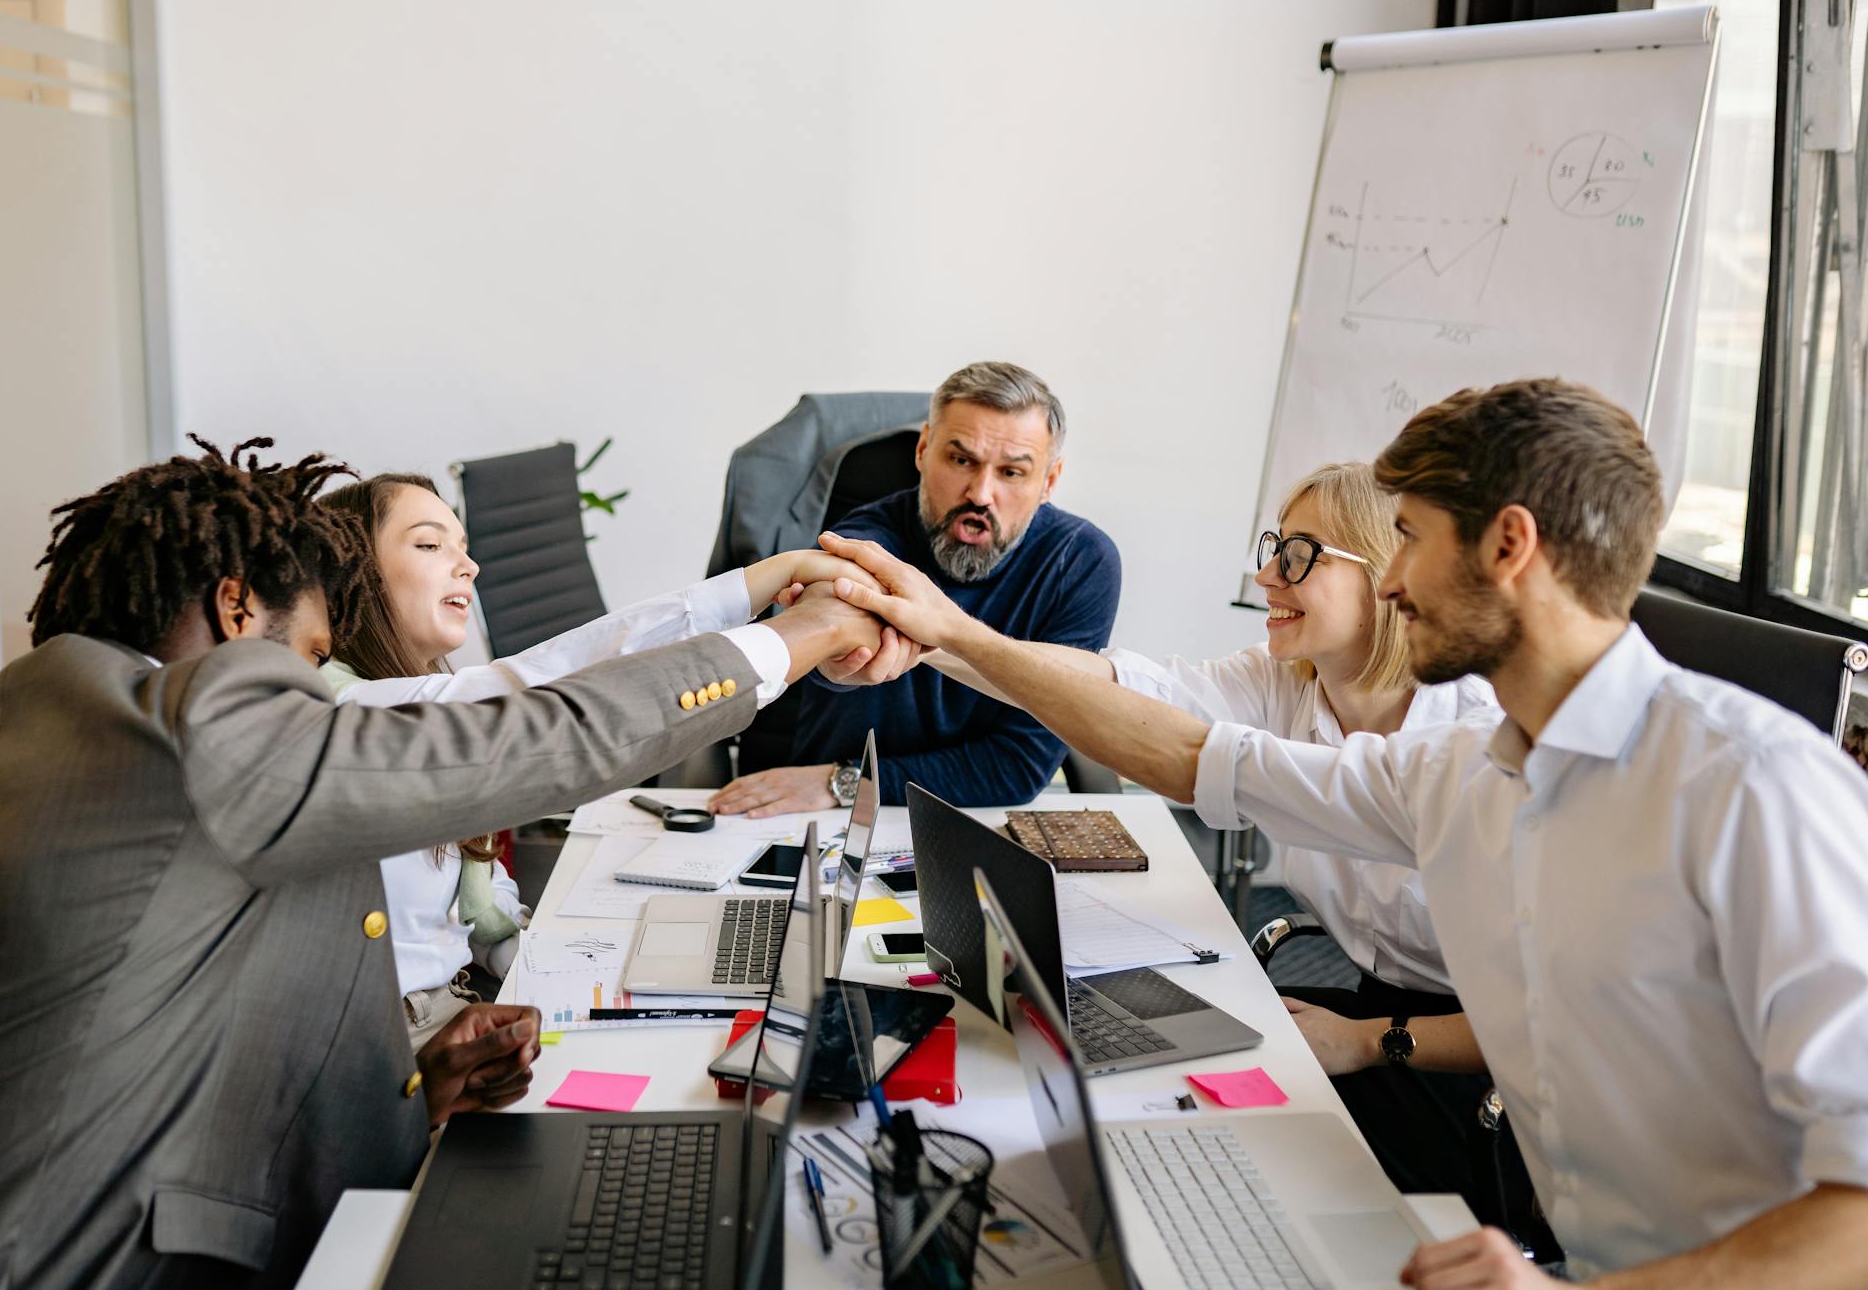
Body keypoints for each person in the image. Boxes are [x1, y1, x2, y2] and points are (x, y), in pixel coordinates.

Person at [818, 379, 1868, 1286]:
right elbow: (1186, 753)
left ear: (1507, 545)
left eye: (1405, 538)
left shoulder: (1754, 791)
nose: (1395, 578)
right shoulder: (1460, 773)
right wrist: (947, 633)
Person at [0, 437, 885, 1289]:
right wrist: (796, 638)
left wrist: (408, 1092)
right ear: (239, 612)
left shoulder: (47, 719)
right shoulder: (175, 730)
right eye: (317, 664)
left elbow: (148, 1039)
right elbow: (518, 732)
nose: (326, 694)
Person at [924, 460, 1543, 1248]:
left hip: (1483, 1075)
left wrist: (1366, 1040)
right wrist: (931, 640)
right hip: (1367, 1010)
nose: (1264, 575)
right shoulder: (1290, 682)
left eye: (1298, 556)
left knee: (1242, 1185)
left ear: (1392, 573)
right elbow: (1120, 685)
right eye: (1273, 548)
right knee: (1149, 1116)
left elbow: (1548, 1020)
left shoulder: (1476, 741)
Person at [316, 471, 889, 1047]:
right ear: (350, 571)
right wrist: (792, 609)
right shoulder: (346, 712)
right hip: (398, 1042)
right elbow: (550, 684)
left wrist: (551, 965)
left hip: (468, 1006)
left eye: (464, 548)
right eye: (429, 544)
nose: (469, 566)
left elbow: (477, 909)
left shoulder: (413, 697)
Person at [708, 361, 1121, 816]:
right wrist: (828, 636)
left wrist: (847, 781)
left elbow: (1017, 767)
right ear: (923, 450)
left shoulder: (1080, 563)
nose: (981, 494)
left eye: (1011, 472)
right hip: (833, 819)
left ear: (1049, 481)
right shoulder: (865, 543)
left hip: (964, 816)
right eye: (961, 460)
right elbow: (834, 634)